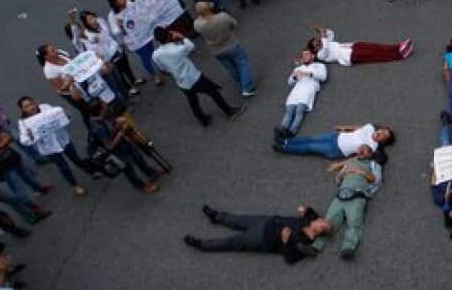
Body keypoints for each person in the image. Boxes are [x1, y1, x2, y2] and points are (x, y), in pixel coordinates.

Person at [151, 28, 244, 126]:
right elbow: (191, 46)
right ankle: (229, 111)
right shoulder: (177, 49)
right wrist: (181, 36)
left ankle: (203, 120)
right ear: (169, 34)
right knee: (213, 92)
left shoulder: (155, 55)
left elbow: (163, 69)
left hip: (181, 82)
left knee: (193, 102)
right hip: (194, 77)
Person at [184, 204, 330, 263]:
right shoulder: (311, 219)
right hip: (267, 221)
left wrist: (285, 241)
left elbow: (290, 258)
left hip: (262, 239)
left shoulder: (305, 243)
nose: (318, 218)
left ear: (319, 230)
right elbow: (310, 211)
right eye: (321, 218)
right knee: (237, 220)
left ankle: (202, 245)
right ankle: (216, 216)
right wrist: (305, 208)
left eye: (321, 221)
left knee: (231, 242)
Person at [16, 97, 95, 197]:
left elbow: (60, 116)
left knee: (76, 159)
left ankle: (92, 171)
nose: (31, 107)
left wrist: (65, 114)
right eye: (27, 106)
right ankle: (75, 186)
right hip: (49, 149)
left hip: (63, 140)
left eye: (32, 104)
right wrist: (30, 136)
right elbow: (24, 141)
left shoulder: (45, 108)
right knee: (63, 167)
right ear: (23, 110)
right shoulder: (23, 123)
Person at [86, 102, 163, 194]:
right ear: (100, 110)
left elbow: (111, 125)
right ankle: (142, 186)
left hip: (123, 143)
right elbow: (109, 146)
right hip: (116, 152)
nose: (105, 104)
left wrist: (117, 124)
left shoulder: (101, 116)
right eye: (103, 105)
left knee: (137, 157)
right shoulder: (98, 128)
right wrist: (121, 132)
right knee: (128, 169)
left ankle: (151, 173)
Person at [322, 149, 379, 259]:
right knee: (328, 222)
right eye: (360, 149)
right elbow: (338, 179)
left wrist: (361, 173)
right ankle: (315, 246)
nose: (361, 150)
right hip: (341, 194)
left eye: (365, 149)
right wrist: (344, 173)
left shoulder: (373, 164)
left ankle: (348, 248)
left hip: (358, 194)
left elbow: (376, 179)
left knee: (354, 223)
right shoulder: (350, 161)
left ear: (370, 154)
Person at [193, 3, 255, 98]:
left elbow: (198, 27)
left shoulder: (197, 24)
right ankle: (247, 87)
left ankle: (243, 81)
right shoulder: (222, 17)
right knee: (243, 64)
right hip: (231, 45)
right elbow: (234, 24)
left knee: (231, 68)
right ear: (209, 8)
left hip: (216, 51)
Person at [276, 50, 327, 139]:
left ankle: (292, 131)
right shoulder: (298, 68)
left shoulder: (319, 66)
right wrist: (295, 76)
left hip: (308, 90)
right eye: (303, 55)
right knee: (289, 111)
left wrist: (309, 73)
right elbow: (290, 82)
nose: (304, 56)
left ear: (312, 56)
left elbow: (323, 77)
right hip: (296, 91)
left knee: (299, 110)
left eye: (307, 54)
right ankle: (282, 129)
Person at [275, 122, 394, 159]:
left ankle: (285, 148)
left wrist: (341, 165)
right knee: (311, 138)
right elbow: (358, 128)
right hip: (336, 136)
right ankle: (286, 141)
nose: (381, 133)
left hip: (336, 150)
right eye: (383, 130)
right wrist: (344, 127)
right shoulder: (370, 127)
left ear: (383, 141)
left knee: (310, 147)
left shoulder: (372, 147)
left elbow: (360, 156)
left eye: (384, 135)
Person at [307, 27, 414, 66]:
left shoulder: (325, 42)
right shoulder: (321, 55)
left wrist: (324, 30)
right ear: (315, 49)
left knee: (377, 47)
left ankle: (398, 47)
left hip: (353, 45)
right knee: (376, 55)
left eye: (318, 41)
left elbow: (331, 34)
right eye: (317, 44)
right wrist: (322, 36)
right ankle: (400, 55)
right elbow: (325, 47)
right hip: (350, 56)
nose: (319, 42)